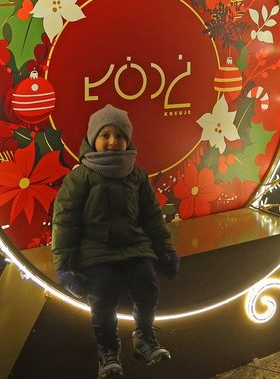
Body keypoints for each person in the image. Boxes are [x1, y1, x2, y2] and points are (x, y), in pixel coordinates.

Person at [52, 104, 180, 378]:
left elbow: (152, 217)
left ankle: (144, 338)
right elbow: (65, 221)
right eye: (105, 135)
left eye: (120, 136)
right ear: (92, 139)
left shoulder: (136, 175)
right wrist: (64, 265)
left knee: (148, 284)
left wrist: (165, 249)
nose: (113, 141)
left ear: (128, 140)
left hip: (134, 246)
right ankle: (108, 351)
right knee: (102, 296)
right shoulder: (80, 176)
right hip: (95, 251)